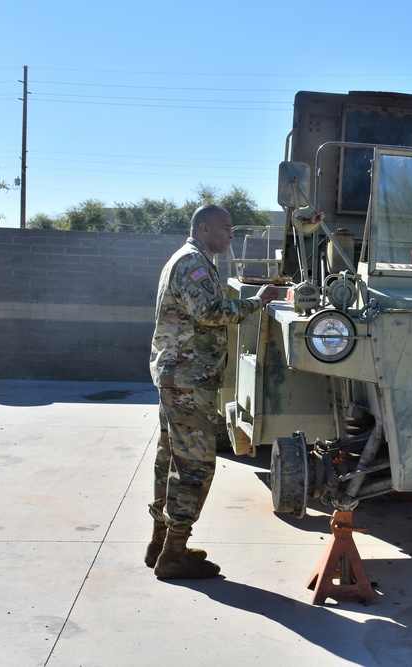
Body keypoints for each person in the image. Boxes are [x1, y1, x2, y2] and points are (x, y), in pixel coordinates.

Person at [147, 204, 280, 579]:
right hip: (187, 380)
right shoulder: (193, 263)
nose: (231, 234)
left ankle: (160, 543)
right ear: (204, 228)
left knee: (171, 459)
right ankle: (174, 553)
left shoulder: (193, 258)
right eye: (226, 228)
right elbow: (209, 311)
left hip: (180, 377)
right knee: (195, 467)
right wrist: (260, 301)